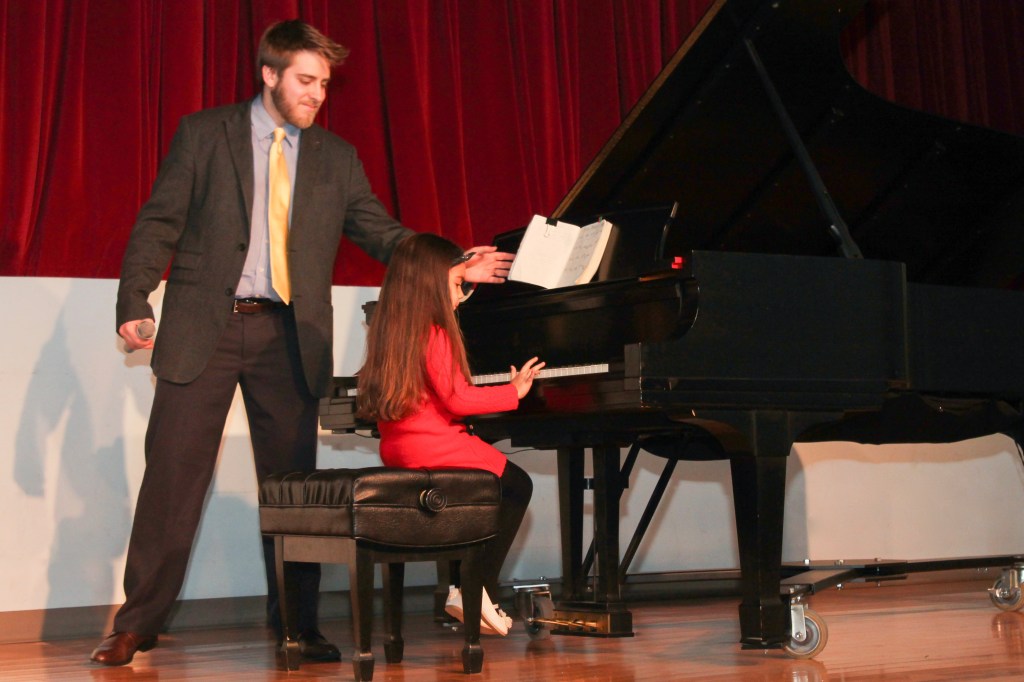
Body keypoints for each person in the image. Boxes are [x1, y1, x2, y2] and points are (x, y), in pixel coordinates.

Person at [91, 20, 513, 667]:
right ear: (270, 74)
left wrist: (453, 260)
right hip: (204, 327)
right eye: (306, 80)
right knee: (173, 479)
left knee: (293, 491)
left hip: (288, 335)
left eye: (324, 84)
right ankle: (137, 623)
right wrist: (134, 301)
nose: (317, 94)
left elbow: (381, 232)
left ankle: (297, 625)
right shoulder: (205, 134)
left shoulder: (335, 158)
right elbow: (159, 221)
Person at [355, 232, 541, 636]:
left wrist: (463, 267)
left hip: (400, 449)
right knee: (517, 485)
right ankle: (476, 589)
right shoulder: (435, 331)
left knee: (482, 494)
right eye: (457, 285)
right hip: (437, 445)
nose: (460, 297)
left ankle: (463, 586)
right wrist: (513, 391)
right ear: (431, 284)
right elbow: (457, 399)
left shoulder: (391, 329)